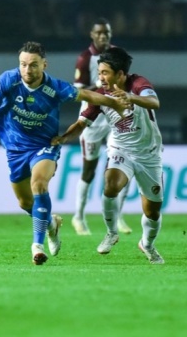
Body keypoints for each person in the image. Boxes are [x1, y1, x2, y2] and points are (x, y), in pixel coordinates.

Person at [0, 41, 128, 265]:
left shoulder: (55, 88)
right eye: (23, 64)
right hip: (15, 149)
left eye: (33, 65)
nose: (27, 70)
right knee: (25, 203)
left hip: (45, 144)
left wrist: (115, 103)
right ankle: (51, 225)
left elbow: (88, 96)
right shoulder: (8, 79)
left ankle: (37, 246)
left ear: (44, 64)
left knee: (39, 184)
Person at [52, 47, 165, 264]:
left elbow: (155, 103)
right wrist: (63, 138)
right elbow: (82, 123)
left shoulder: (138, 84)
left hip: (149, 154)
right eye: (99, 71)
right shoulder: (99, 95)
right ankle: (111, 232)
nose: (100, 77)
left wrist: (130, 97)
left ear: (121, 74)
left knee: (152, 211)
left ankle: (147, 244)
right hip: (120, 149)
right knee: (111, 184)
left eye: (105, 72)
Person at [71, 17, 132, 236]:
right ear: (92, 35)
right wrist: (98, 86)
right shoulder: (84, 59)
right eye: (99, 33)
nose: (103, 36)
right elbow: (78, 93)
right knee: (89, 169)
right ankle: (78, 217)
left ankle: (119, 217)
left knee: (123, 166)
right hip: (94, 119)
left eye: (106, 33)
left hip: (115, 117)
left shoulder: (118, 55)